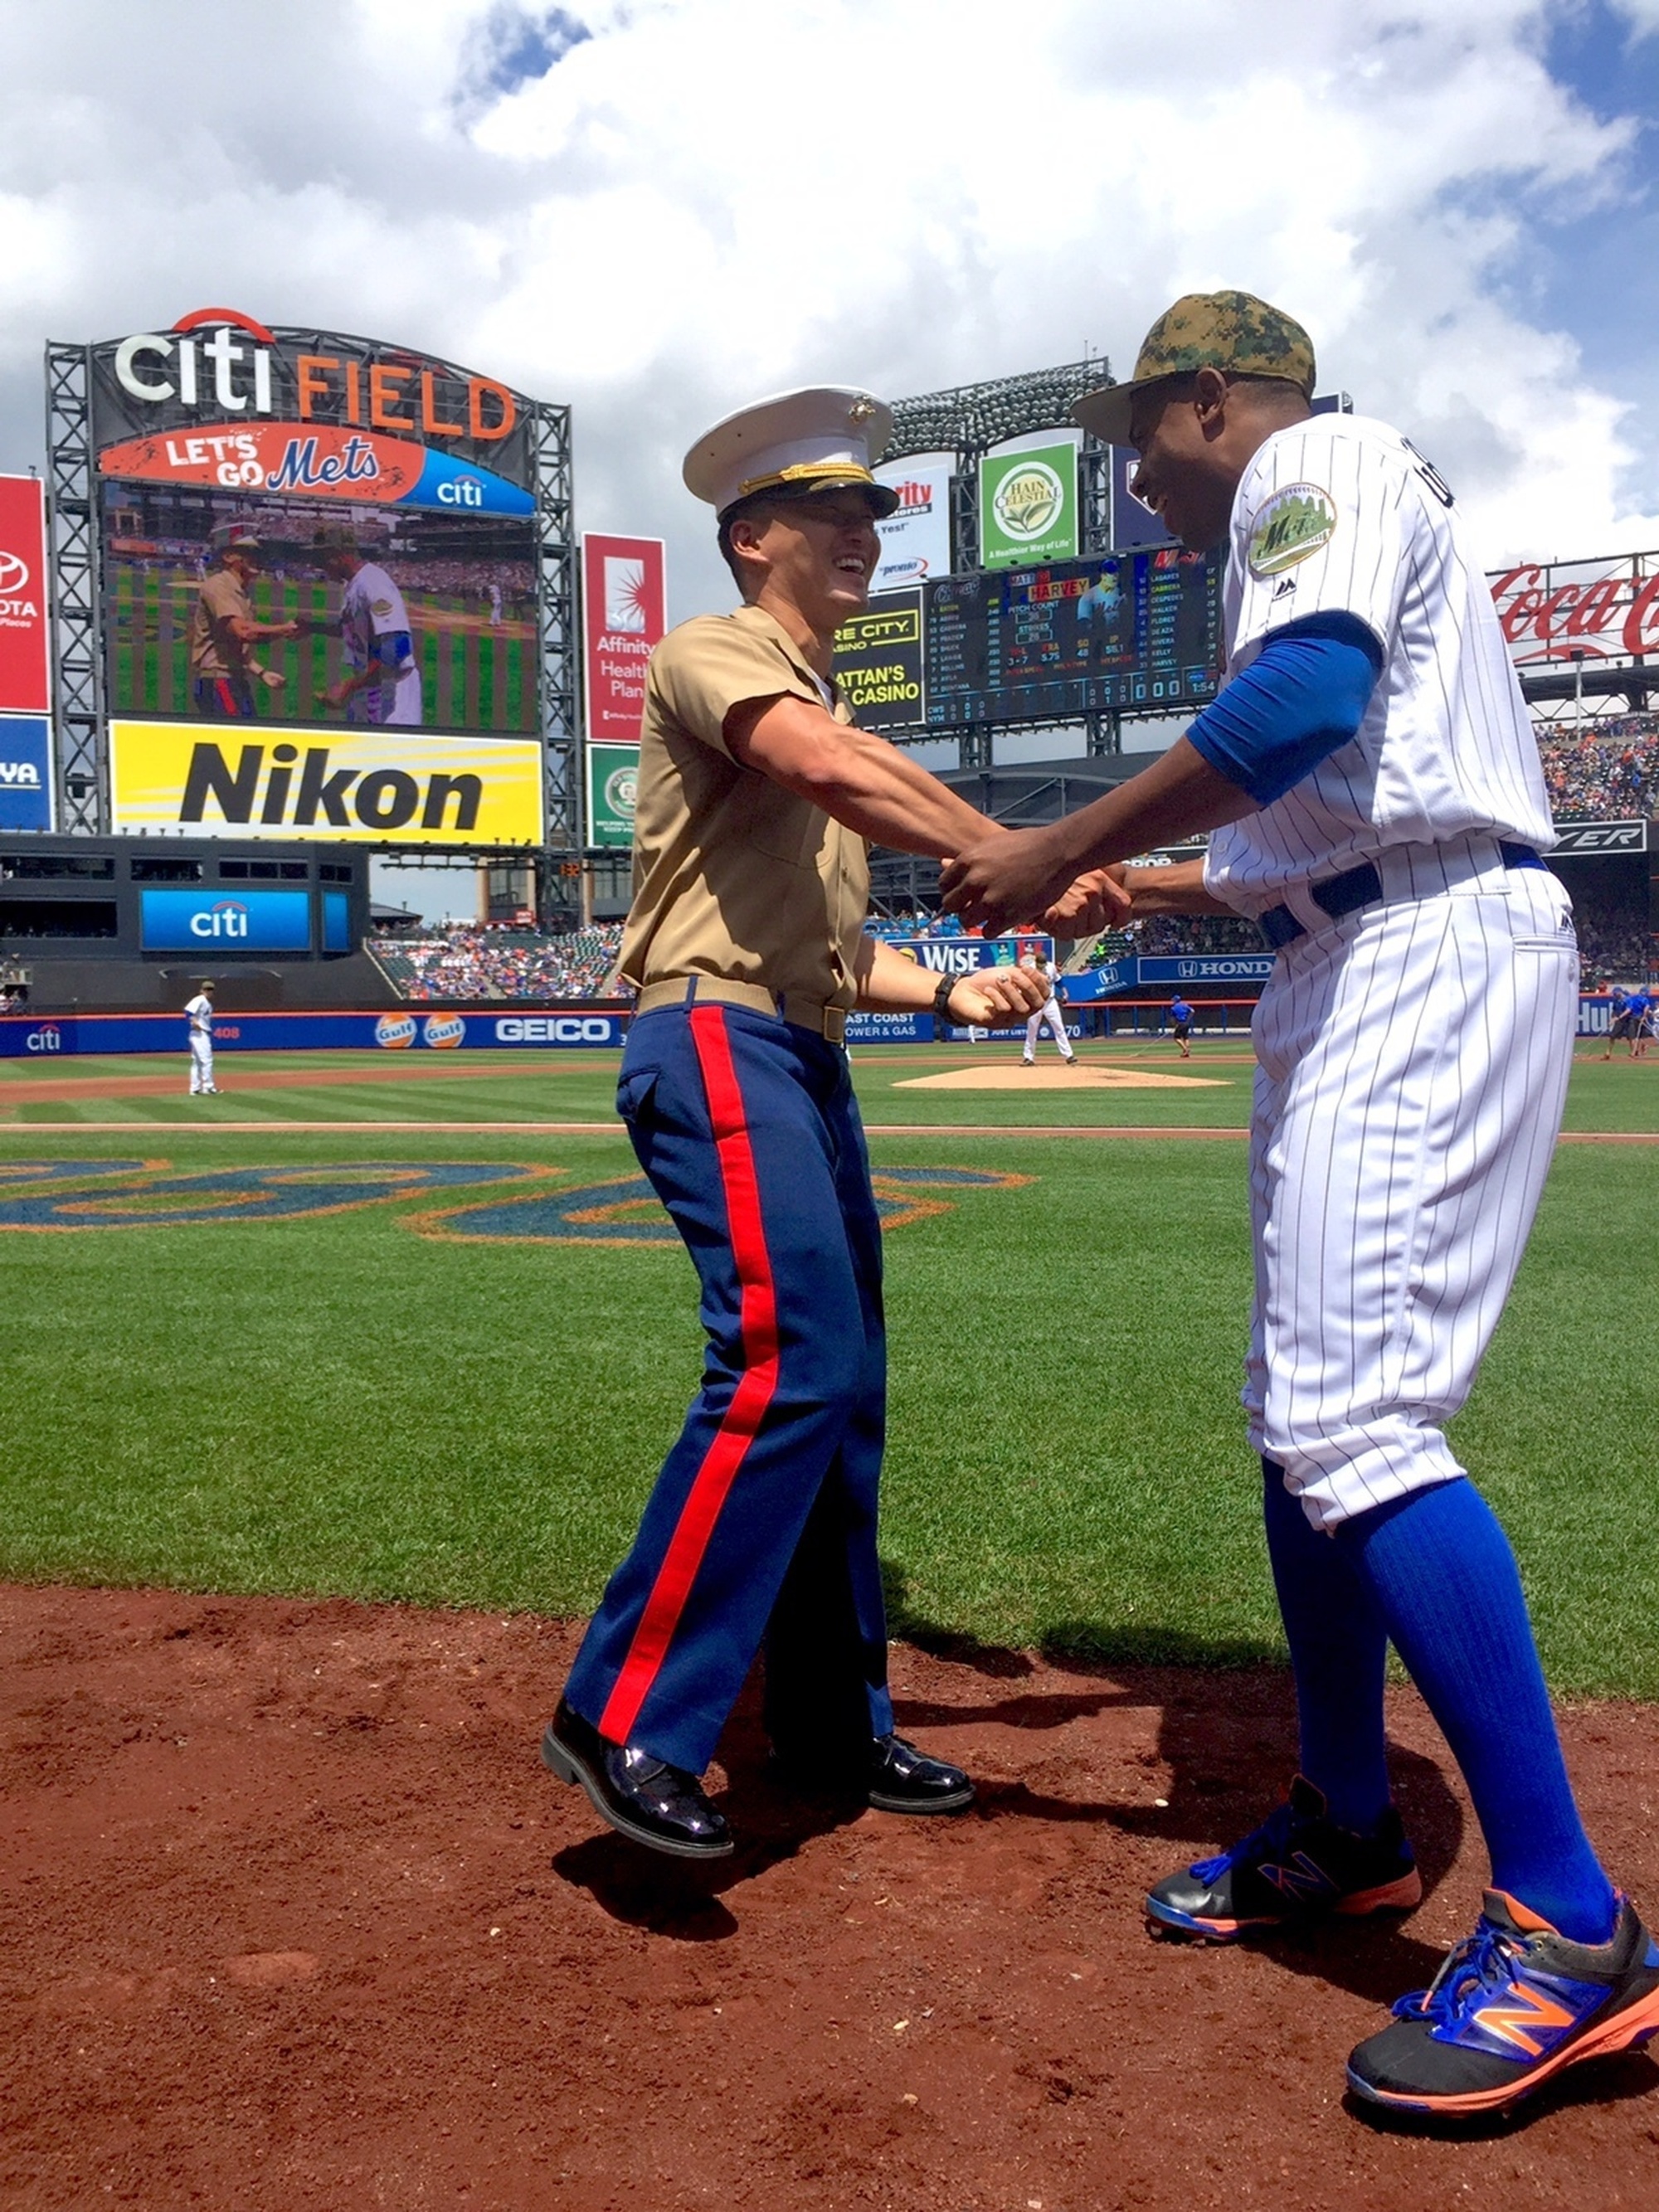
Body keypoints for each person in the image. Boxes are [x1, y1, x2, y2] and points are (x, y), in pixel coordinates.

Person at [941, 291, 1659, 2120]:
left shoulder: (1312, 456)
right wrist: (1160, 890)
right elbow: (1324, 804)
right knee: (1296, 1420)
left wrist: (1058, 847)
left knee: (1355, 1417)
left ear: (1208, 403)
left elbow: (1301, 707)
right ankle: (1349, 1817)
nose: (1128, 481)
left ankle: (1575, 1928)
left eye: (1136, 442)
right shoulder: (1328, 497)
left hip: (1425, 951)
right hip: (1355, 943)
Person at [541, 387, 1058, 1861]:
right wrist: (1017, 848)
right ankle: (622, 1709)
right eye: (833, 510)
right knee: (790, 1359)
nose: (865, 530)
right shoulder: (718, 656)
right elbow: (830, 775)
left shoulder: (825, 715)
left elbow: (836, 954)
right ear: (749, 535)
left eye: (876, 511)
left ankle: (828, 1721)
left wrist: (948, 990)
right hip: (709, 1035)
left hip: (797, 1045)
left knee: (844, 1395)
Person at [309, 527, 424, 725]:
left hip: (393, 693)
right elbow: (351, 630)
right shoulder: (354, 584)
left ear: (340, 555)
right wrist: (311, 627)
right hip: (369, 686)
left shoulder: (372, 582)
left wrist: (349, 686)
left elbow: (397, 645)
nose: (319, 565)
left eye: (322, 557)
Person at [187, 530, 296, 717]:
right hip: (218, 680)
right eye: (248, 552)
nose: (256, 558)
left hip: (231, 678)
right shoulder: (218, 586)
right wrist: (284, 628)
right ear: (228, 557)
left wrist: (261, 672)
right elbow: (244, 631)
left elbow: (239, 644)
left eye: (258, 554)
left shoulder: (241, 592)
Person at [1019, 947, 1078, 1067]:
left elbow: (1058, 981)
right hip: (1035, 1002)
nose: (1041, 967)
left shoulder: (1051, 967)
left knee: (1059, 1028)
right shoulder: (1030, 969)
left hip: (1050, 1002)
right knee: (1032, 1030)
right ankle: (1028, 1057)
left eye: (1043, 964)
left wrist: (1065, 993)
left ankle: (1069, 1056)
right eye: (1039, 964)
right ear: (1036, 962)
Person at [183, 980, 218, 1095]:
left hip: (199, 1034)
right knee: (207, 1060)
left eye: (211, 989)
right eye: (207, 989)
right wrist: (194, 1022)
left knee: (197, 1062)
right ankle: (208, 1087)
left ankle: (195, 1088)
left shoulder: (207, 1003)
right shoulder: (200, 999)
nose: (209, 991)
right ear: (202, 990)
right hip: (200, 1034)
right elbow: (188, 1011)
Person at [1167, 994, 1194, 1060]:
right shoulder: (1185, 1005)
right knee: (1185, 1037)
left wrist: (1174, 1024)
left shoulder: (1173, 1008)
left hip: (1180, 1023)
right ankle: (1186, 1051)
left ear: (1175, 1000)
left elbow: (1172, 1018)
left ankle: (1185, 1049)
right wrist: (1189, 1019)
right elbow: (1192, 1011)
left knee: (1176, 1037)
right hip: (1187, 1022)